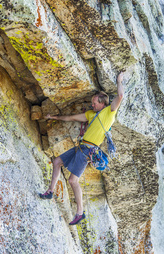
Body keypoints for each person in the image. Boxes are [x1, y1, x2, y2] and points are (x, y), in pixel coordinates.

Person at [40, 73, 124, 225]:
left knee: (73, 180)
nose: (92, 105)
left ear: (102, 103)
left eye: (94, 103)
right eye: (92, 102)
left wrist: (119, 80)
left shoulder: (109, 112)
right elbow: (72, 118)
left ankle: (80, 213)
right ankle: (50, 191)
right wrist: (53, 117)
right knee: (57, 161)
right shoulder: (91, 114)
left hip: (88, 151)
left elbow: (120, 95)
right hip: (81, 146)